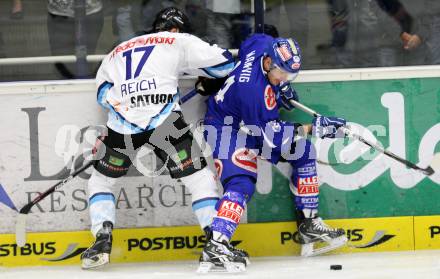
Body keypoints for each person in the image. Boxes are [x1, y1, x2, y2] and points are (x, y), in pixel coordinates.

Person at [80, 7, 235, 269]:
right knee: (199, 180)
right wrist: (205, 79)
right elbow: (224, 64)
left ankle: (101, 241)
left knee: (100, 182)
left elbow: (102, 94)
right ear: (176, 29)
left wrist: (129, 112)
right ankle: (216, 243)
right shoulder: (178, 40)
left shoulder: (118, 50)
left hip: (122, 127)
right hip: (165, 123)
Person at [198, 33, 348, 272]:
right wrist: (315, 128)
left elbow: (250, 40)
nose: (283, 79)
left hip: (248, 123)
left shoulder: (261, 47)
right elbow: (272, 138)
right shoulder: (255, 92)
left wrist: (282, 85)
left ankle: (309, 224)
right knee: (241, 183)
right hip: (225, 129)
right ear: (268, 63)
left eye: (289, 75)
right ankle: (216, 245)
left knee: (303, 151)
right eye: (282, 74)